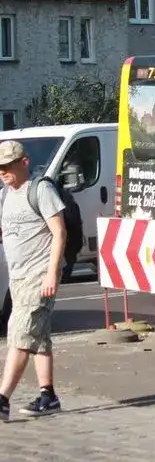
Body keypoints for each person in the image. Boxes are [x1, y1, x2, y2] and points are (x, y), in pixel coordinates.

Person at [0, 140, 67, 422]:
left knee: (21, 333)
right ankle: (47, 396)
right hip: (17, 276)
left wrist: (52, 273)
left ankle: (2, 399)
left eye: (8, 166)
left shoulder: (41, 189)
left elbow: (59, 232)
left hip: (39, 275)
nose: (3, 172)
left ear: (24, 162)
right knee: (38, 337)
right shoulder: (6, 194)